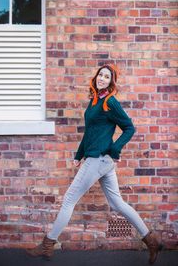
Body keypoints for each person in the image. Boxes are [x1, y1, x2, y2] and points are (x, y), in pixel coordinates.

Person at [26, 64, 163, 264]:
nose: (102, 78)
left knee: (69, 200)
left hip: (99, 159)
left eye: (107, 77)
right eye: (100, 75)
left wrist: (115, 150)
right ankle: (151, 240)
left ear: (111, 82)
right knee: (117, 204)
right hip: (99, 160)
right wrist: (79, 154)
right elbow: (90, 132)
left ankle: (48, 245)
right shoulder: (94, 101)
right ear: (96, 77)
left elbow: (129, 128)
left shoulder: (110, 102)